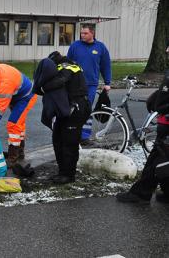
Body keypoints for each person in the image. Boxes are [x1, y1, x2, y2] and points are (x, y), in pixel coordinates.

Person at [33, 52, 91, 184]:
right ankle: (62, 171)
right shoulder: (61, 66)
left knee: (69, 142)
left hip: (76, 108)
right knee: (58, 139)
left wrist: (42, 87)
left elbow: (59, 81)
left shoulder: (68, 67)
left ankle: (69, 175)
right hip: (66, 109)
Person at [0, 59, 37, 177]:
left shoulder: (5, 82)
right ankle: (19, 153)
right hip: (17, 94)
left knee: (13, 124)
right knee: (18, 123)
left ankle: (13, 158)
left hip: (26, 97)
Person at [116, 71, 169, 204]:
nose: (167, 50)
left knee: (157, 160)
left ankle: (141, 194)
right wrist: (157, 97)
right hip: (165, 123)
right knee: (161, 159)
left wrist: (161, 105)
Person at [67, 24, 111, 141]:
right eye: (81, 33)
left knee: (87, 109)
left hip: (91, 85)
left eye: (85, 33)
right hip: (74, 84)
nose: (82, 35)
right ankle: (72, 133)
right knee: (73, 109)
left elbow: (106, 66)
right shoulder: (75, 46)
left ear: (92, 33)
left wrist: (107, 83)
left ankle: (84, 136)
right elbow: (67, 64)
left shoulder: (100, 47)